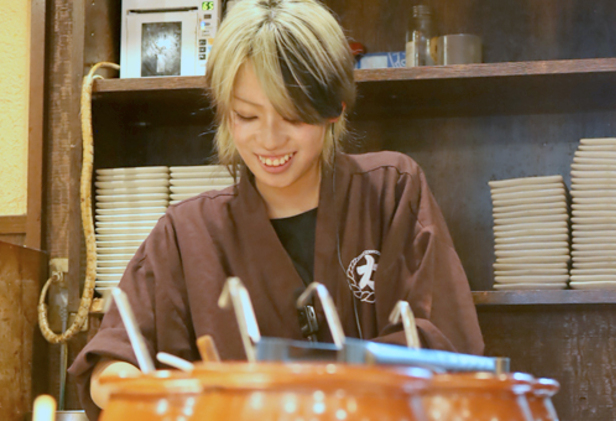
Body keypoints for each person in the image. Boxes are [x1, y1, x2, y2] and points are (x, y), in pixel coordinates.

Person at [69, 0, 484, 418]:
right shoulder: (187, 233)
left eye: (292, 116)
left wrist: (307, 385)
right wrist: (152, 392)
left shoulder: (391, 191)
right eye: (247, 116)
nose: (269, 140)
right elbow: (108, 367)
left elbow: (446, 346)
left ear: (335, 108)